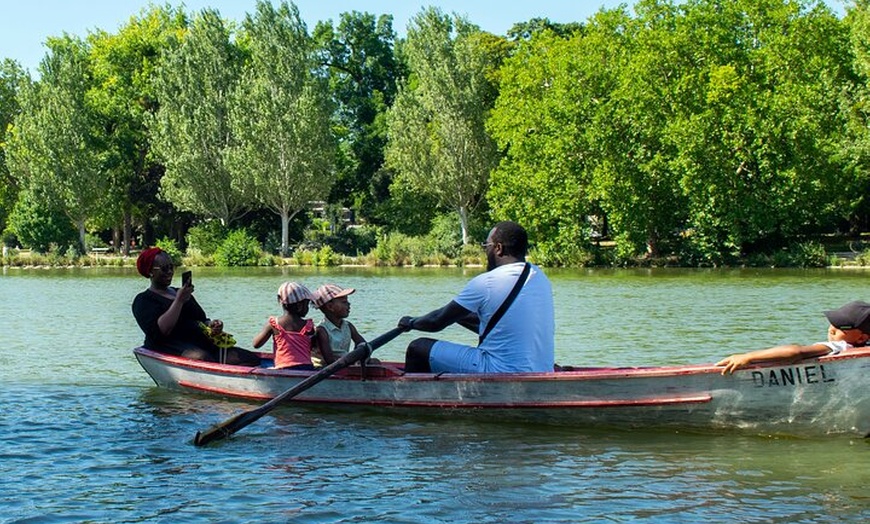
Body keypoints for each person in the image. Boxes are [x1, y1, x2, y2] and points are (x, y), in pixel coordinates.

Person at [398, 221, 555, 374]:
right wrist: (458, 316)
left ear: (498, 248)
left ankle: (417, 397)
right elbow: (499, 325)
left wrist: (411, 322)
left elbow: (437, 321)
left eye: (486, 246)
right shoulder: (540, 278)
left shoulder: (487, 282)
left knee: (418, 348)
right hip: (541, 369)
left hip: (499, 370)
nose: (485, 252)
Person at [131, 247, 260, 365]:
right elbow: (161, 331)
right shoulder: (143, 300)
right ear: (150, 272)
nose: (170, 272)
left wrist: (213, 325)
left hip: (202, 344)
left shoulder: (180, 292)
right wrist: (179, 301)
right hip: (170, 347)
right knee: (202, 358)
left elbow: (201, 318)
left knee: (249, 358)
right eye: (164, 268)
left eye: (172, 267)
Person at [717, 300, 870, 375]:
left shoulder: (842, 346)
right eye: (832, 323)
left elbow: (795, 352)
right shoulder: (862, 347)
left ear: (861, 338)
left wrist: (748, 357)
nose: (832, 329)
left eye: (841, 326)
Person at [253, 281, 317, 370]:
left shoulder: (273, 325)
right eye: (307, 305)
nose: (307, 308)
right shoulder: (308, 326)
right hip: (306, 368)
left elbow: (256, 344)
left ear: (280, 301)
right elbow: (311, 347)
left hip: (283, 368)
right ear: (299, 306)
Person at [310, 283, 366, 367]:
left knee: (374, 362)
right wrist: (352, 362)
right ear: (330, 307)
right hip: (326, 368)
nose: (348, 304)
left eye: (347, 301)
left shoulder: (348, 326)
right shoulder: (322, 330)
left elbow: (362, 343)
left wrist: (360, 355)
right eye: (344, 302)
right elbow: (330, 361)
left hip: (345, 362)